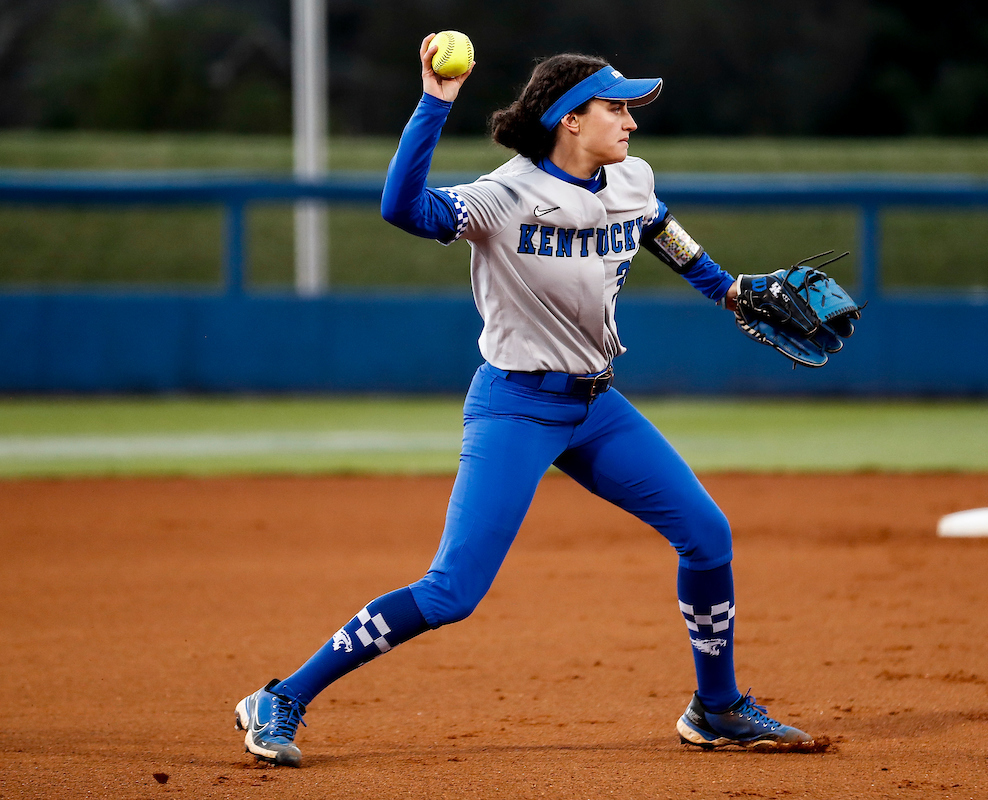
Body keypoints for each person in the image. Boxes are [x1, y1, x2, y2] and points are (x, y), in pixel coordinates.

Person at [233, 34, 815, 767]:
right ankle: (281, 696)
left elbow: (664, 234)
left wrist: (727, 289)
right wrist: (434, 103)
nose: (631, 121)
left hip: (596, 407)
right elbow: (401, 209)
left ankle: (718, 708)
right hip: (515, 406)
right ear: (571, 118)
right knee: (451, 593)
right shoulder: (502, 197)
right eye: (617, 107)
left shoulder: (631, 180)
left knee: (708, 535)